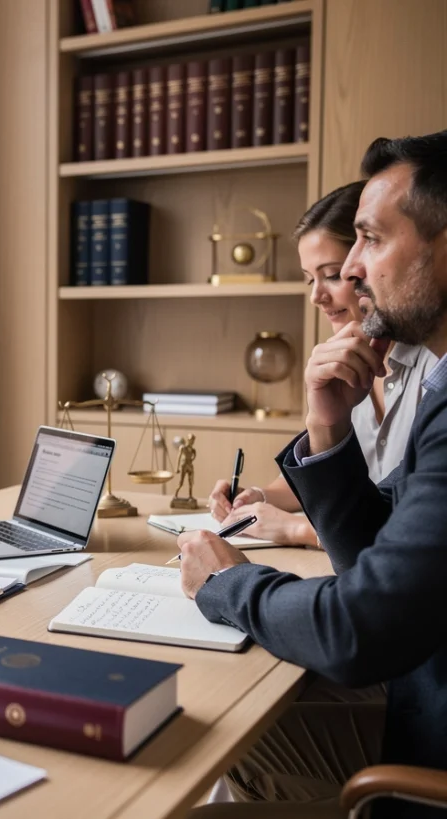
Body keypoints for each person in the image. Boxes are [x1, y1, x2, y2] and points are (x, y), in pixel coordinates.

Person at [185, 130, 447, 819]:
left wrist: (224, 581)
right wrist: (328, 429)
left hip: (425, 746)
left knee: (195, 746)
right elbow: (378, 564)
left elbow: (359, 628)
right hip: (417, 693)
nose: (351, 272)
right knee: (216, 725)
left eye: (370, 240)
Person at [207, 181, 438, 546]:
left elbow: (416, 527)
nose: (317, 296)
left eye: (331, 274)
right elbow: (334, 472)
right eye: (309, 278)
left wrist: (295, 529)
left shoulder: (436, 367)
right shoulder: (341, 358)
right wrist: (259, 497)